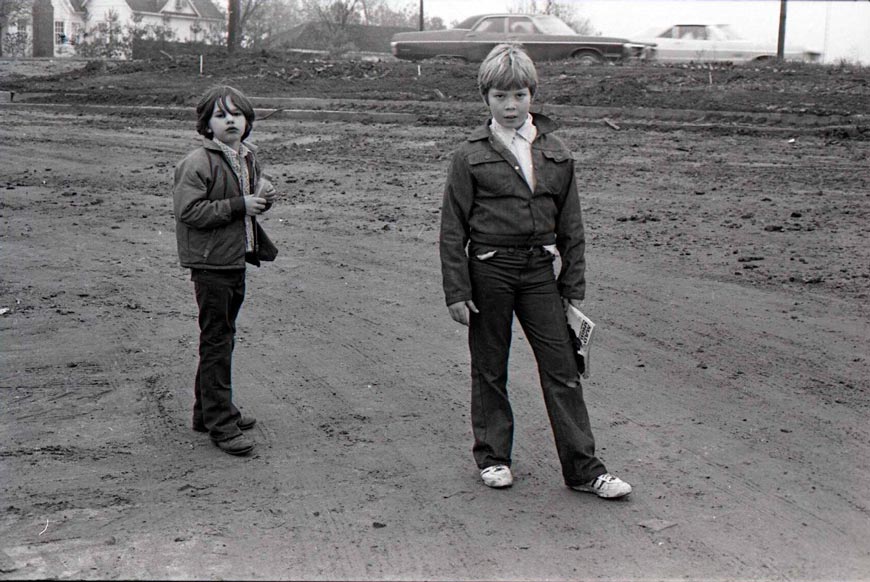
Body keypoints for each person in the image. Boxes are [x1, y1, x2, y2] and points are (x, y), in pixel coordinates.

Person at [439, 44, 631, 498]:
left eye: (520, 95)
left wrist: (573, 285)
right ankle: (493, 458)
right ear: (484, 97)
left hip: (540, 273)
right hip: (488, 271)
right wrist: (456, 289)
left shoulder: (557, 153)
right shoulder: (468, 155)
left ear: (533, 95)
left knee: (562, 368)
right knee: (489, 367)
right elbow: (452, 228)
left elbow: (573, 226)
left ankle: (584, 470)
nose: (510, 106)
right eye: (500, 96)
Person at [173, 85, 278, 456]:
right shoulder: (197, 162)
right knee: (217, 342)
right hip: (211, 264)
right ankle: (221, 424)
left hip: (234, 260)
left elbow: (249, 205)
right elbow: (189, 212)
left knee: (222, 337)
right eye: (220, 115)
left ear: (248, 120)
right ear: (206, 125)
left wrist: (262, 197)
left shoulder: (246, 158)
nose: (230, 119)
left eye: (237, 113)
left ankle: (208, 413)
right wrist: (239, 204)